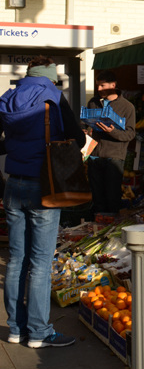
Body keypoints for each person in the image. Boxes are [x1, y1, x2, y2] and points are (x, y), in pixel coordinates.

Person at [0, 56, 86, 348]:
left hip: (13, 184)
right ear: (50, 77)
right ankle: (38, 333)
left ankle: (15, 329)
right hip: (44, 186)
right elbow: (78, 137)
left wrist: (16, 146)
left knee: (16, 260)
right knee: (40, 262)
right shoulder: (53, 97)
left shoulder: (9, 98)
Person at [86, 70, 136, 215]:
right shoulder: (93, 102)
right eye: (98, 86)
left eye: (102, 86)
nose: (99, 89)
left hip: (114, 157)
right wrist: (85, 129)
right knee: (97, 198)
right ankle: (98, 227)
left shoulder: (127, 107)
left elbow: (130, 133)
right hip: (94, 156)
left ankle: (111, 227)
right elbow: (87, 125)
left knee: (112, 197)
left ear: (113, 85)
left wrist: (111, 132)